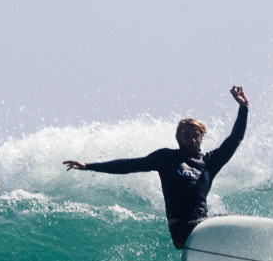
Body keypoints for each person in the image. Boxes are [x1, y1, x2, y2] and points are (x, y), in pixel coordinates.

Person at [64, 86, 250, 249]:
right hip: (182, 230)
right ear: (178, 138)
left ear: (202, 137)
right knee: (229, 222)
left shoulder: (210, 162)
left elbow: (234, 140)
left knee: (240, 223)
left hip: (202, 227)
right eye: (186, 135)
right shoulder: (166, 158)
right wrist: (89, 166)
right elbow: (129, 165)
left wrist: (243, 108)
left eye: (196, 134)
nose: (191, 138)